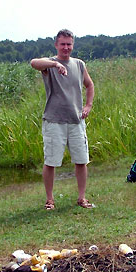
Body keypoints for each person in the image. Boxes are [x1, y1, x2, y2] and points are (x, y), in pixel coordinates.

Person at [30, 29, 95, 210]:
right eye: (63, 44)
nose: (66, 48)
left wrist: (88, 105)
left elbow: (89, 85)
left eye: (69, 44)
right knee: (51, 161)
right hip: (54, 121)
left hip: (76, 121)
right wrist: (54, 65)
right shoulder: (49, 65)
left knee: (81, 160)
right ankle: (49, 199)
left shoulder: (79, 64)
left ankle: (82, 198)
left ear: (73, 45)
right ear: (56, 45)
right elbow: (33, 63)